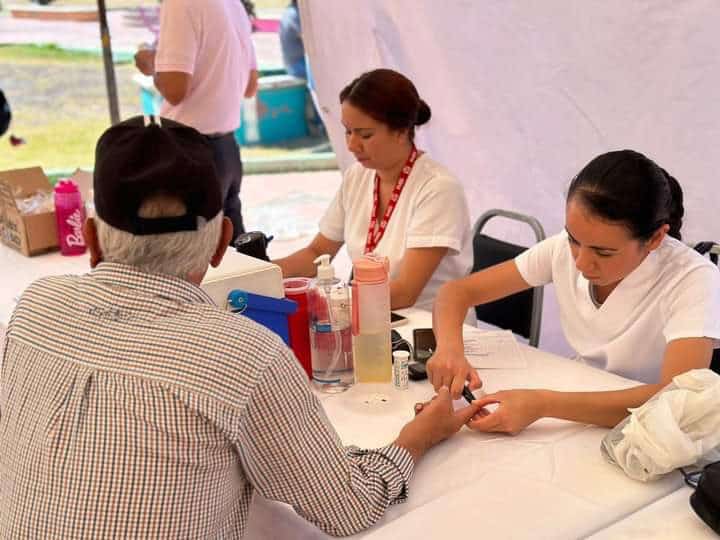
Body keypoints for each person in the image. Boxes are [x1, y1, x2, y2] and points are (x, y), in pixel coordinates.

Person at [0, 116, 482, 538]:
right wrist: (417, 437)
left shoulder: (33, 308)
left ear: (90, 240)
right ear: (220, 243)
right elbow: (347, 507)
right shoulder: (242, 353)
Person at [428, 149, 720, 435]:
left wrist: (543, 404)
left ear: (656, 238)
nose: (580, 262)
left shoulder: (692, 278)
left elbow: (675, 398)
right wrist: (450, 349)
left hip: (648, 435)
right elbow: (456, 293)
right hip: (579, 404)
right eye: (573, 239)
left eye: (604, 252)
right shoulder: (562, 250)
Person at [275, 69, 473, 313]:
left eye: (365, 135)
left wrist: (330, 303)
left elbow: (405, 292)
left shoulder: (438, 189)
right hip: (371, 319)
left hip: (430, 330)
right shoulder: (358, 176)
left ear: (401, 131)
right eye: (348, 131)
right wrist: (262, 272)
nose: (351, 145)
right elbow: (316, 252)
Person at [133, 0, 259, 243]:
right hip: (226, 151)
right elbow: (250, 85)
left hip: (187, 151)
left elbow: (175, 88)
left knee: (183, 258)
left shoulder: (181, 3)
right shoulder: (233, 5)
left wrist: (152, 63)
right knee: (233, 256)